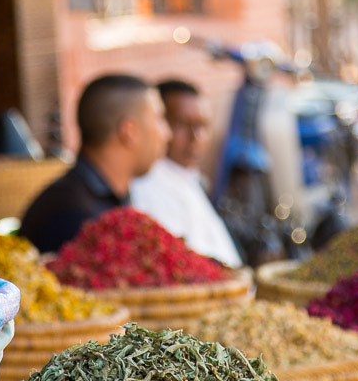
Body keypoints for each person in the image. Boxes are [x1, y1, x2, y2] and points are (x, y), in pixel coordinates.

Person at [19, 74, 171, 255]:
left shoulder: (110, 196)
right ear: (130, 132)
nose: (167, 134)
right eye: (159, 119)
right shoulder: (73, 215)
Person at [131, 79, 243, 267]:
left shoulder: (187, 178)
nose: (195, 138)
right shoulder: (147, 185)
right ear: (161, 125)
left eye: (202, 125)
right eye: (183, 124)